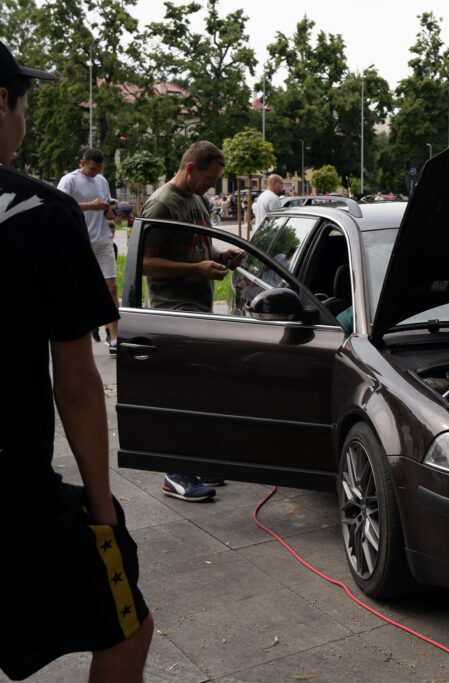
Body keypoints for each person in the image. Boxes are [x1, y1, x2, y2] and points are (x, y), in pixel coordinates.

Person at [0, 40, 153, 681]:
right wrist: (101, 504)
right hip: (11, 498)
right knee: (126, 626)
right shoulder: (37, 213)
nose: (24, 120)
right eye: (25, 104)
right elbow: (79, 385)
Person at [141, 140, 242, 501]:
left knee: (201, 393)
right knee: (183, 395)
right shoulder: (162, 203)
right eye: (210, 179)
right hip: (174, 310)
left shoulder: (196, 201)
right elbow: (142, 262)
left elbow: (197, 245)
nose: (212, 187)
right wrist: (195, 268)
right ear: (190, 169)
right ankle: (175, 473)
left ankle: (195, 462)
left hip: (198, 308)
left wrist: (218, 254)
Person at [58, 148, 120, 355]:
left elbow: (106, 209)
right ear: (82, 163)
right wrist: (89, 206)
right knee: (80, 289)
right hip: (79, 240)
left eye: (99, 169)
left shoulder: (102, 181)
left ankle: (114, 338)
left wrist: (114, 211)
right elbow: (60, 206)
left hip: (102, 239)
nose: (95, 173)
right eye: (92, 169)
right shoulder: (69, 180)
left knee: (111, 287)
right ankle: (80, 333)